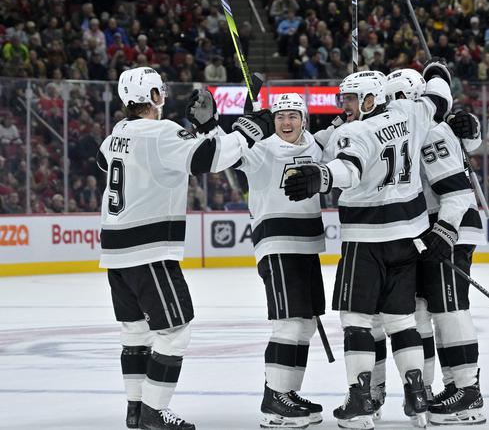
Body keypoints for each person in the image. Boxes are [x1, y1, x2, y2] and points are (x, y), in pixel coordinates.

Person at [98, 67, 273, 430]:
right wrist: (247, 130)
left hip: (116, 252)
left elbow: (111, 161)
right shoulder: (161, 132)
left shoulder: (118, 132)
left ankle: (135, 408)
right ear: (156, 96)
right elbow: (209, 159)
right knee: (175, 332)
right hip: (149, 250)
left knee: (135, 332)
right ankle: (153, 411)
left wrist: (195, 130)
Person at [283, 63, 454, 429]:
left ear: (372, 98)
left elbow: (349, 170)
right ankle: (418, 395)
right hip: (407, 239)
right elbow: (440, 96)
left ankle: (361, 402)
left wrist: (322, 176)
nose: (344, 105)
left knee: (357, 321)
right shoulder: (411, 112)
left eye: (350, 99)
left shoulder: (355, 131)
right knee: (401, 320)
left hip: (366, 241)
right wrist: (438, 70)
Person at [381, 69, 488, 426]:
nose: (394, 107)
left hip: (447, 227)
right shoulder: (416, 131)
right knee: (426, 309)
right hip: (432, 229)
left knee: (450, 309)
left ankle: (467, 392)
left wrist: (444, 231)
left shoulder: (428, 130)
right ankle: (442, 389)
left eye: (400, 98)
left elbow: (457, 190)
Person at [228, 93, 327, 428]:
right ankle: (274, 399)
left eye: (293, 116)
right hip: (277, 243)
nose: (286, 123)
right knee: (288, 323)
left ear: (304, 120)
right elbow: (231, 154)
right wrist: (243, 119)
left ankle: (288, 393)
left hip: (308, 245)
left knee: (306, 324)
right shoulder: (262, 150)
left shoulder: (316, 146)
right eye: (281, 116)